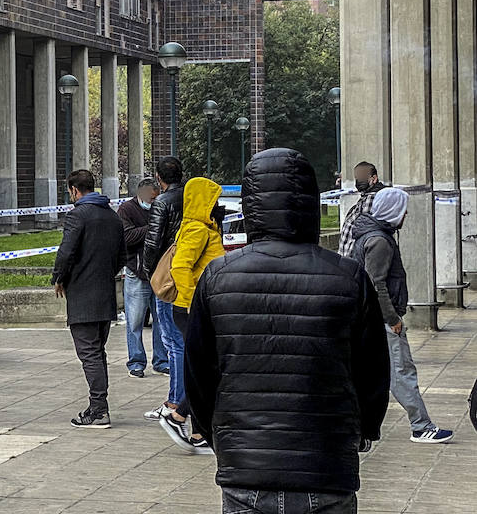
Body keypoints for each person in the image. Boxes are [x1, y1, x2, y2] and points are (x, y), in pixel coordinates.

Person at [184, 148, 390, 514]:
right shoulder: (349, 277)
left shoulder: (218, 277)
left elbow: (199, 374)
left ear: (250, 204)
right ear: (310, 202)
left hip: (246, 467)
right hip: (326, 464)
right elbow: (372, 371)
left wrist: (220, 438)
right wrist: (363, 431)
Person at [350, 186, 454, 444]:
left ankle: (356, 429)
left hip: (368, 318)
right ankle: (421, 426)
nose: (406, 214)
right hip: (381, 319)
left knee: (366, 374)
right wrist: (393, 319)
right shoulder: (379, 241)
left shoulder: (369, 234)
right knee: (402, 371)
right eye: (403, 210)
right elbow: (376, 285)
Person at [52, 169, 126, 429]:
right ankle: (98, 405)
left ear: (74, 190)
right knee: (98, 352)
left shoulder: (78, 215)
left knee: (89, 354)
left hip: (83, 294)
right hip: (105, 293)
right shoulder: (112, 216)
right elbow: (122, 255)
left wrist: (59, 278)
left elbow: (66, 251)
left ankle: (98, 410)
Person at [160, 176, 225, 454]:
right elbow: (180, 266)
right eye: (213, 200)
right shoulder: (197, 229)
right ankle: (178, 415)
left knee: (204, 367)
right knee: (208, 369)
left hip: (198, 307)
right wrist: (191, 301)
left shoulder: (202, 227)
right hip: (192, 309)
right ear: (203, 201)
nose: (218, 205)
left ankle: (198, 432)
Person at [142, 156, 187, 426]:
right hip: (189, 275)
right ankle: (181, 399)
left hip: (168, 276)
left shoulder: (162, 202)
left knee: (173, 342)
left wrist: (151, 275)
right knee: (183, 340)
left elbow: (152, 242)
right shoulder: (192, 199)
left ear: (158, 178)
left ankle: (175, 402)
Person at [117, 177, 168, 379]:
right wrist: (153, 228)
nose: (153, 201)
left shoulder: (161, 207)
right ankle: (136, 362)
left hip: (159, 272)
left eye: (156, 198)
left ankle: (161, 361)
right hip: (136, 272)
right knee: (135, 320)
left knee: (161, 320)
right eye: (150, 198)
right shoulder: (126, 210)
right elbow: (127, 237)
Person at [337, 161, 386, 259]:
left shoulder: (373, 199)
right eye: (357, 178)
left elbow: (362, 230)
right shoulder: (365, 197)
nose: (359, 181)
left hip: (354, 260)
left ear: (374, 178)